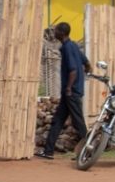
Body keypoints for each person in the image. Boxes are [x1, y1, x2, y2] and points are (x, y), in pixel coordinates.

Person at [37, 22, 91, 159]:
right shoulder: (73, 46)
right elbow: (87, 63)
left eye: (55, 30)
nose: (54, 33)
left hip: (71, 92)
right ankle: (48, 151)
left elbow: (73, 70)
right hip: (71, 91)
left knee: (78, 123)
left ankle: (89, 151)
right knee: (58, 120)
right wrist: (85, 74)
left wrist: (68, 87)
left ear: (61, 33)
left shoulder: (68, 48)